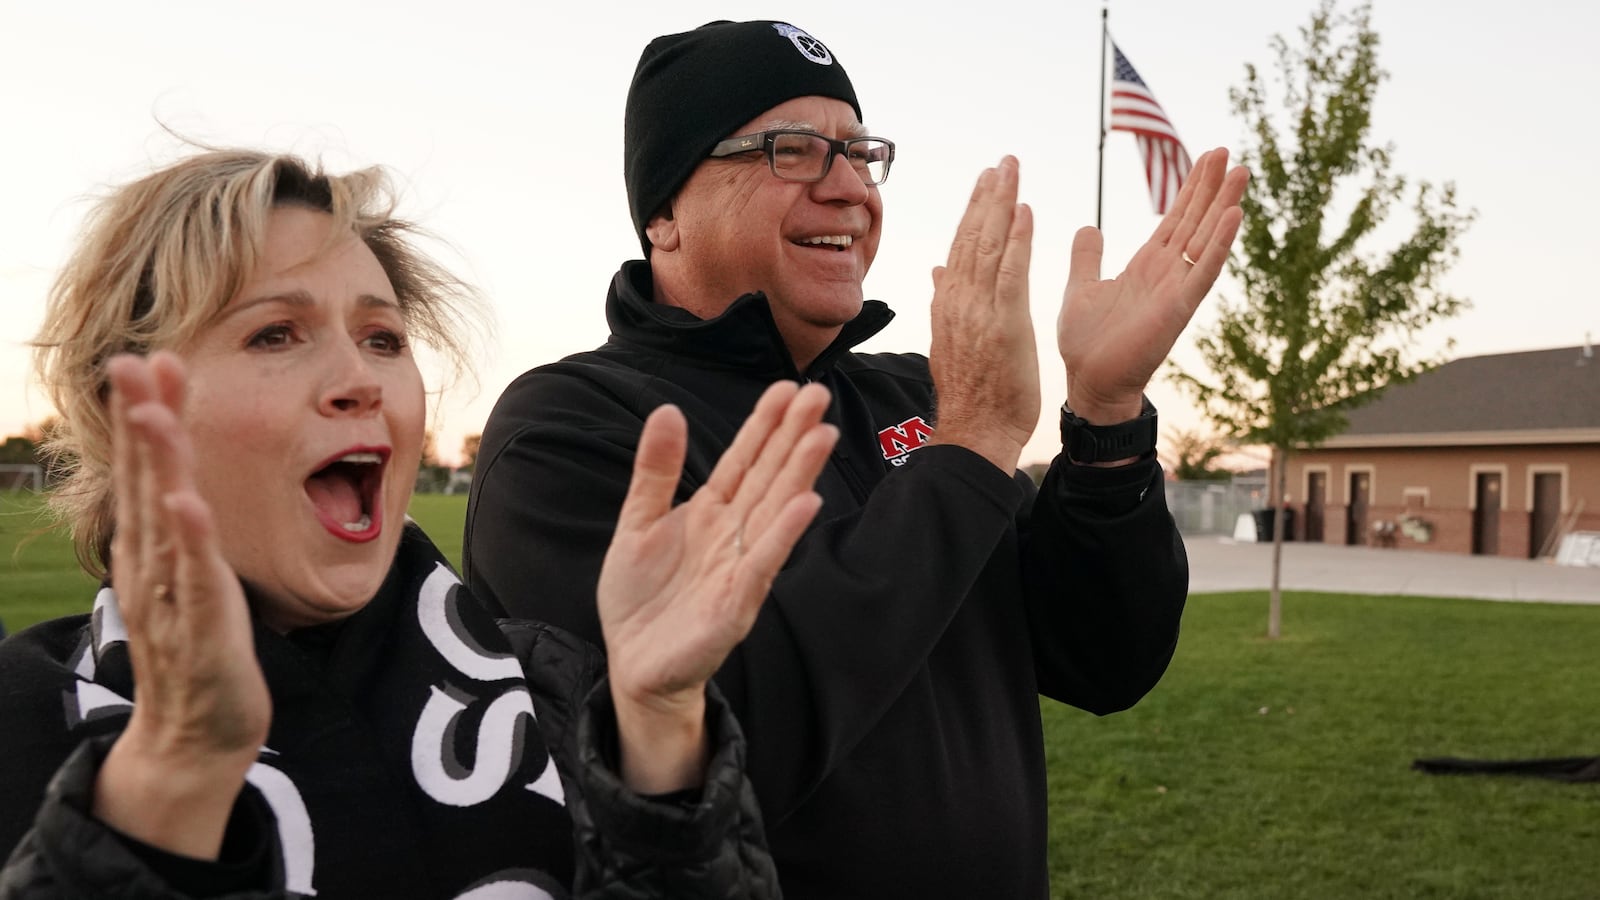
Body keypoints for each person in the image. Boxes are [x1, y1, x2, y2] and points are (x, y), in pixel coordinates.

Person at [463, 19, 1249, 899]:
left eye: (860, 152)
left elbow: (1104, 660)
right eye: (792, 151)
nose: (850, 190)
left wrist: (1105, 426)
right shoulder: (574, 430)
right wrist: (973, 445)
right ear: (663, 211)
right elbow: (697, 762)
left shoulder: (919, 400)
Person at [0, 148, 843, 898]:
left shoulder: (559, 684)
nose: (360, 380)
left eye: (382, 338)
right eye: (275, 334)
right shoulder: (25, 718)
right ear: (128, 408)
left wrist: (659, 722)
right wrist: (171, 785)